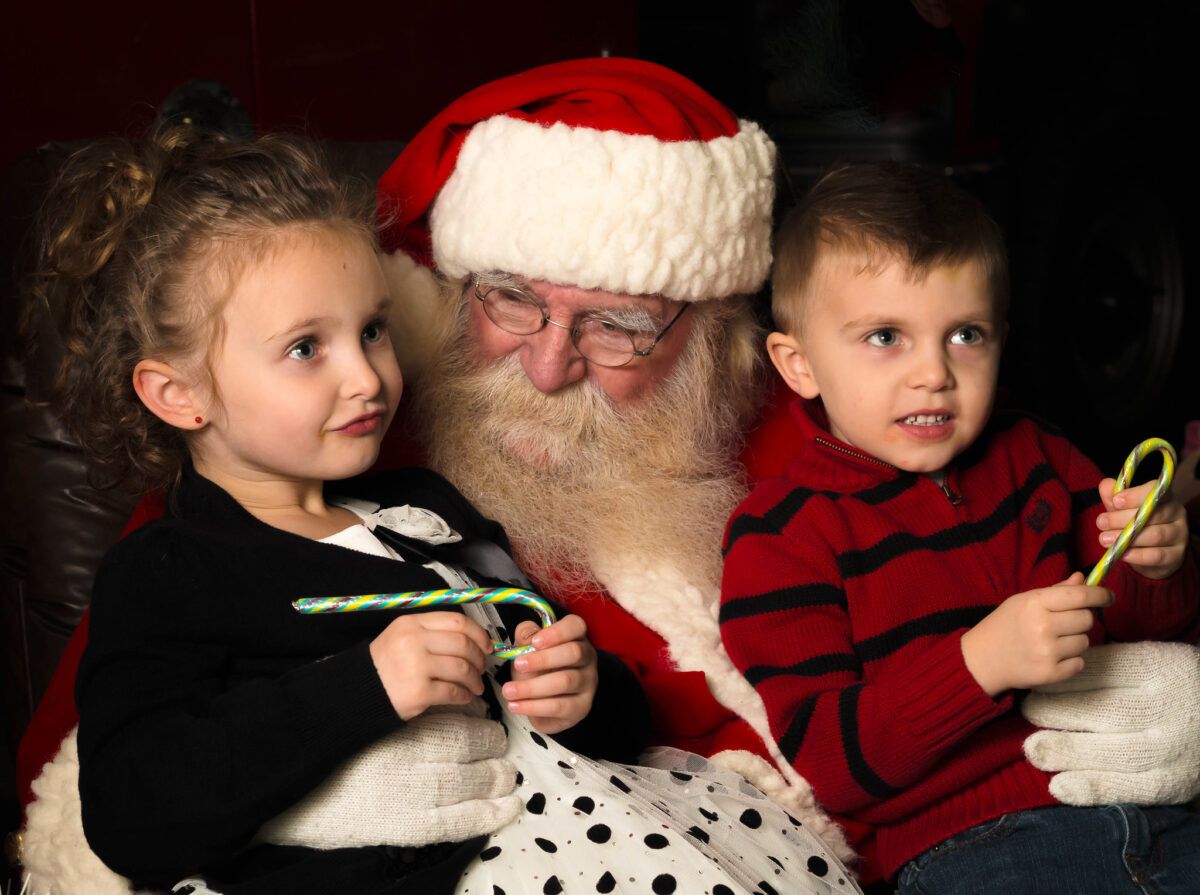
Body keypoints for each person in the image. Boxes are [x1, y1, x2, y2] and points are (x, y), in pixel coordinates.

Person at [15, 56, 1200, 891]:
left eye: (622, 324)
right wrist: (298, 804)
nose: (545, 362)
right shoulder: (323, 450)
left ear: (730, 342)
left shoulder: (844, 423)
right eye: (509, 300)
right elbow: (97, 795)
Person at [22, 128, 857, 895]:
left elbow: (583, 680)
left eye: (374, 331)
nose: (367, 378)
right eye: (306, 348)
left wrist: (584, 689)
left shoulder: (422, 508)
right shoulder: (174, 569)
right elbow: (135, 811)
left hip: (572, 832)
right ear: (178, 393)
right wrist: (365, 686)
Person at [719, 160, 1200, 893]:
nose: (934, 373)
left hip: (1149, 798)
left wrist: (1154, 567)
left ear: (1002, 338)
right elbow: (832, 763)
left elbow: (1145, 638)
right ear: (799, 364)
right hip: (974, 848)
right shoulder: (778, 535)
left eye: (965, 334)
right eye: (886, 336)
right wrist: (978, 663)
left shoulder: (1037, 453)